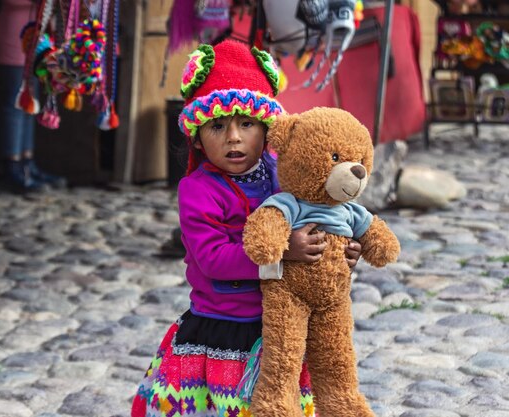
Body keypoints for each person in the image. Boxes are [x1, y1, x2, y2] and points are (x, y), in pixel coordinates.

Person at [131, 39, 361, 417]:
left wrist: (339, 249)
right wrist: (284, 253)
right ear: (198, 139)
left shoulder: (283, 176)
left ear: (268, 130)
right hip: (226, 325)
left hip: (285, 324)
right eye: (217, 126)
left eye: (247, 123)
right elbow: (213, 259)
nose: (233, 137)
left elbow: (319, 222)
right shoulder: (198, 190)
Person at [0, 0, 66, 193]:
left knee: (30, 101)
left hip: (37, 37)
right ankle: (11, 166)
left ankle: (27, 164)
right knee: (14, 103)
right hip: (14, 34)